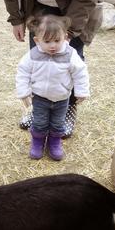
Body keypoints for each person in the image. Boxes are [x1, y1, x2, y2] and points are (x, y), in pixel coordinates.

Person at [2, 0, 105, 138]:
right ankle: (39, 109)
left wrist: (68, 32)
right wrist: (16, 18)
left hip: (74, 10)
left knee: (69, 61)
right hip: (39, 8)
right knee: (39, 60)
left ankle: (68, 107)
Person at [16, 14, 90, 160]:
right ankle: (37, 143)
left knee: (58, 123)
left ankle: (54, 143)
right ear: (37, 40)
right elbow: (23, 72)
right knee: (40, 122)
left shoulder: (70, 54)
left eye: (57, 40)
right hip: (40, 98)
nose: (53, 45)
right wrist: (24, 92)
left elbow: (80, 72)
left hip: (62, 99)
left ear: (65, 37)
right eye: (47, 41)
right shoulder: (33, 55)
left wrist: (81, 91)